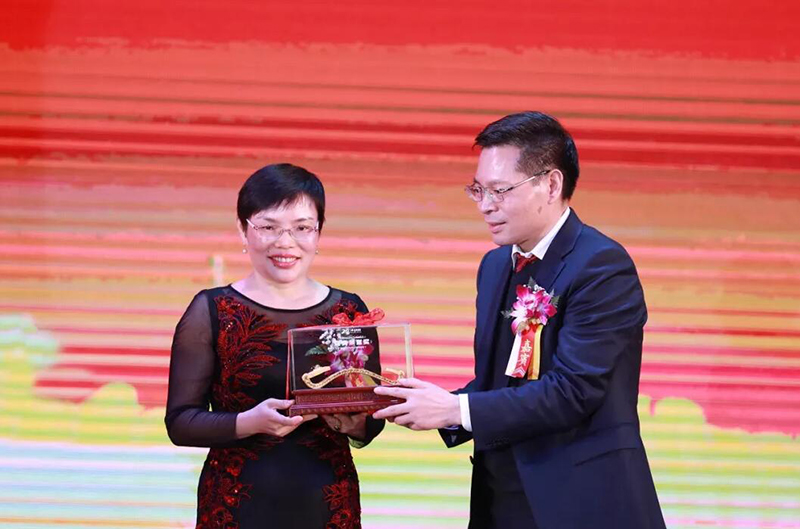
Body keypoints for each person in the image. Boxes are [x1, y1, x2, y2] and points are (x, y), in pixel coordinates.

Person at [374, 111, 666, 529]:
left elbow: (572, 392)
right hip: (501, 500)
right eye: (478, 190)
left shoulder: (601, 266)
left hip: (582, 502)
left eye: (500, 190)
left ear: (551, 184)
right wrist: (403, 401)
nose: (485, 205)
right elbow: (500, 384)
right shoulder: (495, 266)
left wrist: (454, 409)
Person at [165, 163, 384, 529]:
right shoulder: (212, 309)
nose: (285, 242)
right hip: (236, 505)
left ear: (319, 232)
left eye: (302, 228)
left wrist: (352, 422)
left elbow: (370, 423)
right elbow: (181, 423)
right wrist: (248, 422)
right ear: (243, 229)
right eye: (268, 227)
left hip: (327, 503)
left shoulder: (348, 311)